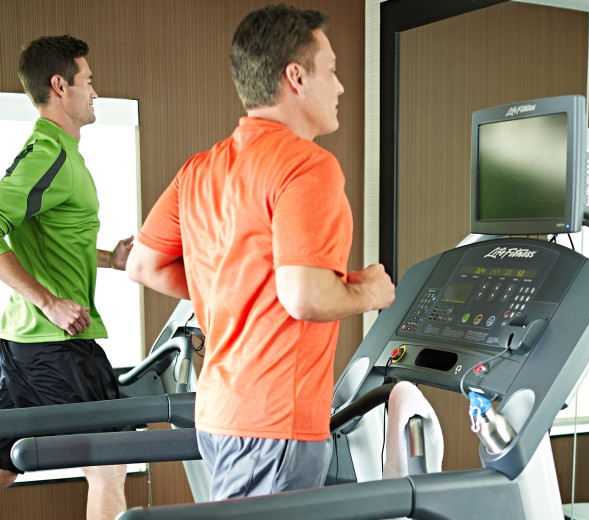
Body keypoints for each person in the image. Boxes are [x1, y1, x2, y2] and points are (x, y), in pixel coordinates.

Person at [126, 4, 395, 501]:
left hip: (219, 413)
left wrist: (230, 288)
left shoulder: (200, 169)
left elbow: (143, 265)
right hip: (275, 424)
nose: (339, 86)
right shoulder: (308, 167)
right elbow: (304, 297)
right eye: (331, 71)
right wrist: (372, 291)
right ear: (296, 76)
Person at [0, 35, 134, 520]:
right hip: (54, 343)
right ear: (60, 85)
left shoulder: (62, 155)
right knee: (109, 463)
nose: (96, 92)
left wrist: (110, 259)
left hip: (24, 340)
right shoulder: (48, 156)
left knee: (2, 464)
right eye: (89, 81)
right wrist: (49, 302)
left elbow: (48, 240)